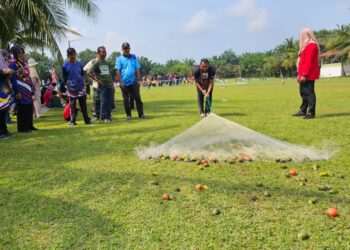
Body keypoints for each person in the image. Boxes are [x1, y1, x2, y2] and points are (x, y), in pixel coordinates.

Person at [9, 45, 38, 133]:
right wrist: (17, 92)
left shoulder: (24, 63)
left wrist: (32, 88)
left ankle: (30, 125)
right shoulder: (13, 63)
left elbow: (28, 76)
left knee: (29, 107)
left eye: (22, 52)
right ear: (14, 53)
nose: (21, 54)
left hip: (28, 89)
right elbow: (13, 78)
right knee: (22, 109)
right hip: (20, 90)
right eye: (19, 52)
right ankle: (22, 128)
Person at [293, 28, 320, 119]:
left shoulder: (311, 46)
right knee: (303, 93)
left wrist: (304, 74)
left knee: (309, 93)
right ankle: (303, 110)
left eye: (302, 35)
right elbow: (302, 62)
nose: (301, 37)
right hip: (304, 73)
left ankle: (311, 112)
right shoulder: (306, 46)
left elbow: (308, 62)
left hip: (308, 74)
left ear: (307, 35)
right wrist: (299, 74)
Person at [62, 48, 92, 126]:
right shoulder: (65, 66)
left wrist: (85, 84)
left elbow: (82, 75)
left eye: (74, 54)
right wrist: (67, 86)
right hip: (71, 88)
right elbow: (64, 78)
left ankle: (87, 120)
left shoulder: (80, 64)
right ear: (68, 56)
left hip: (81, 87)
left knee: (83, 105)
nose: (73, 56)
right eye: (71, 55)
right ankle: (73, 121)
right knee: (72, 105)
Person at [115, 42, 146, 120]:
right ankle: (128, 115)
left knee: (138, 98)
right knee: (126, 100)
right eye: (125, 48)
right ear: (122, 49)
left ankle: (141, 114)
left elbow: (138, 68)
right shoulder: (119, 59)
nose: (126, 50)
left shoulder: (133, 57)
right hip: (124, 83)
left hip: (133, 82)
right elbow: (117, 71)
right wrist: (120, 82)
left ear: (129, 49)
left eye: (127, 48)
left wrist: (139, 79)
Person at [87, 46, 114, 123]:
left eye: (105, 52)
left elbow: (109, 74)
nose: (104, 53)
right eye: (102, 52)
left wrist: (112, 84)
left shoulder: (106, 62)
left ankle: (108, 116)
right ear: (98, 53)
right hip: (102, 85)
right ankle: (104, 117)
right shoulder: (97, 62)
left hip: (109, 85)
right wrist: (97, 80)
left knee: (110, 101)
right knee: (104, 101)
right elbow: (89, 72)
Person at [0, 47, 15, 139]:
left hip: (3, 85)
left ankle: (4, 130)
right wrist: (3, 71)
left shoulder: (1, 57)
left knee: (4, 109)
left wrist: (8, 72)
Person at [83, 55, 100, 121]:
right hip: (96, 84)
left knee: (104, 101)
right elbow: (85, 69)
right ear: (97, 54)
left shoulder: (104, 61)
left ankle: (104, 115)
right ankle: (95, 116)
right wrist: (91, 78)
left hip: (104, 85)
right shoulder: (93, 61)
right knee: (96, 101)